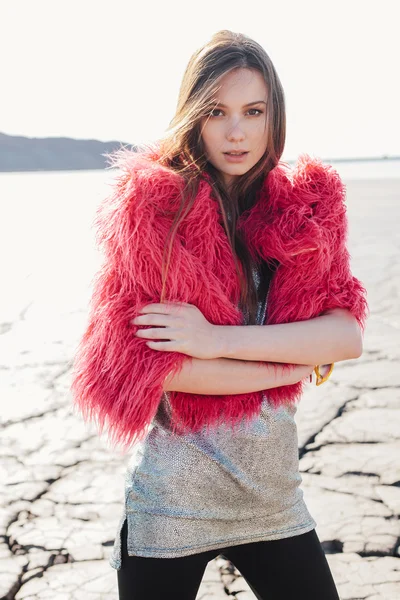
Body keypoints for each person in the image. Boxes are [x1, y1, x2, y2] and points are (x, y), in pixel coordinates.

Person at [70, 30, 368, 599]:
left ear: (272, 115)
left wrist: (212, 339)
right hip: (173, 503)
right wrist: (287, 366)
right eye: (217, 112)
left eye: (253, 111)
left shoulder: (306, 210)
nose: (237, 132)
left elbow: (346, 335)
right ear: (193, 117)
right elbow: (159, 368)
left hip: (273, 497)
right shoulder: (155, 213)